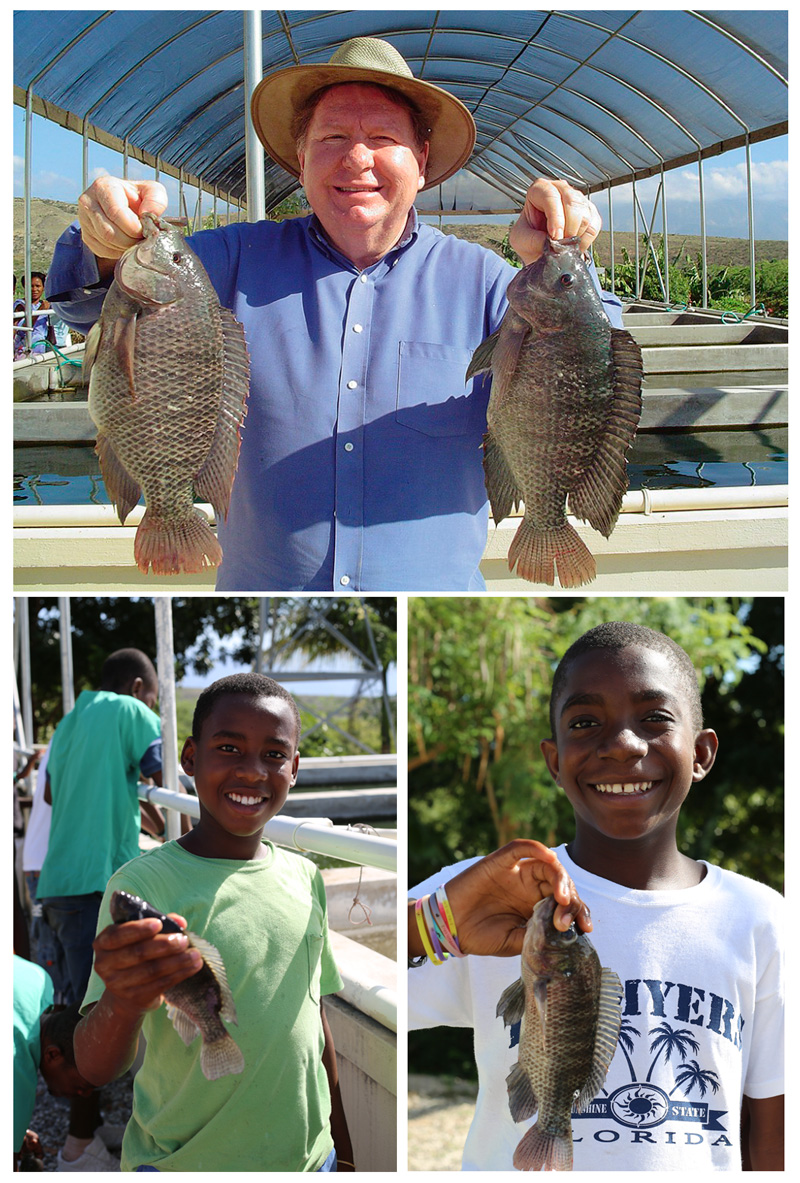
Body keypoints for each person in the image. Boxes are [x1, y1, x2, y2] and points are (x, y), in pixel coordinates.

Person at [45, 35, 621, 592]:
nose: (356, 157)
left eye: (383, 137)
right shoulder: (225, 261)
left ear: (421, 161)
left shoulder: (493, 283)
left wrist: (560, 257)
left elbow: (600, 380)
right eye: (333, 136)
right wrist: (104, 240)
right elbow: (98, 312)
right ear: (300, 160)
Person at [408, 621, 783, 1171]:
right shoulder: (479, 895)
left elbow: (772, 1132)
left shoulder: (765, 919)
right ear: (554, 760)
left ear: (702, 753)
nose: (622, 745)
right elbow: (323, 970)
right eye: (585, 723)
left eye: (655, 719)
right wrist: (435, 928)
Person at [73, 672, 354, 1171]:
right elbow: (94, 1067)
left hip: (313, 1163)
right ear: (189, 758)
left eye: (273, 754)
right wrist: (123, 999)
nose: (251, 771)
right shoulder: (141, 886)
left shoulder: (307, 876)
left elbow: (315, 1023)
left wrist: (345, 1155)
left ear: (295, 769)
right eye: (228, 747)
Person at [36, 647, 164, 1169]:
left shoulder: (69, 722)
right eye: (153, 698)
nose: (151, 705)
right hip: (99, 879)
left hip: (60, 880)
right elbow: (162, 768)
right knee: (93, 1017)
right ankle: (78, 1146)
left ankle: (84, 1130)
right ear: (138, 688)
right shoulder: (131, 711)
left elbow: (47, 794)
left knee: (72, 1010)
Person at [13, 954, 97, 1169]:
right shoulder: (14, 1070)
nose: (84, 1095)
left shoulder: (39, 979)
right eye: (82, 1086)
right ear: (52, 1055)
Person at [14, 271, 53, 359]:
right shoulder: (21, 305)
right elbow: (22, 329)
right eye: (31, 286)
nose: (34, 289)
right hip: (24, 350)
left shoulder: (45, 304)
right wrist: (41, 310)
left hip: (40, 349)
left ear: (43, 287)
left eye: (38, 286)